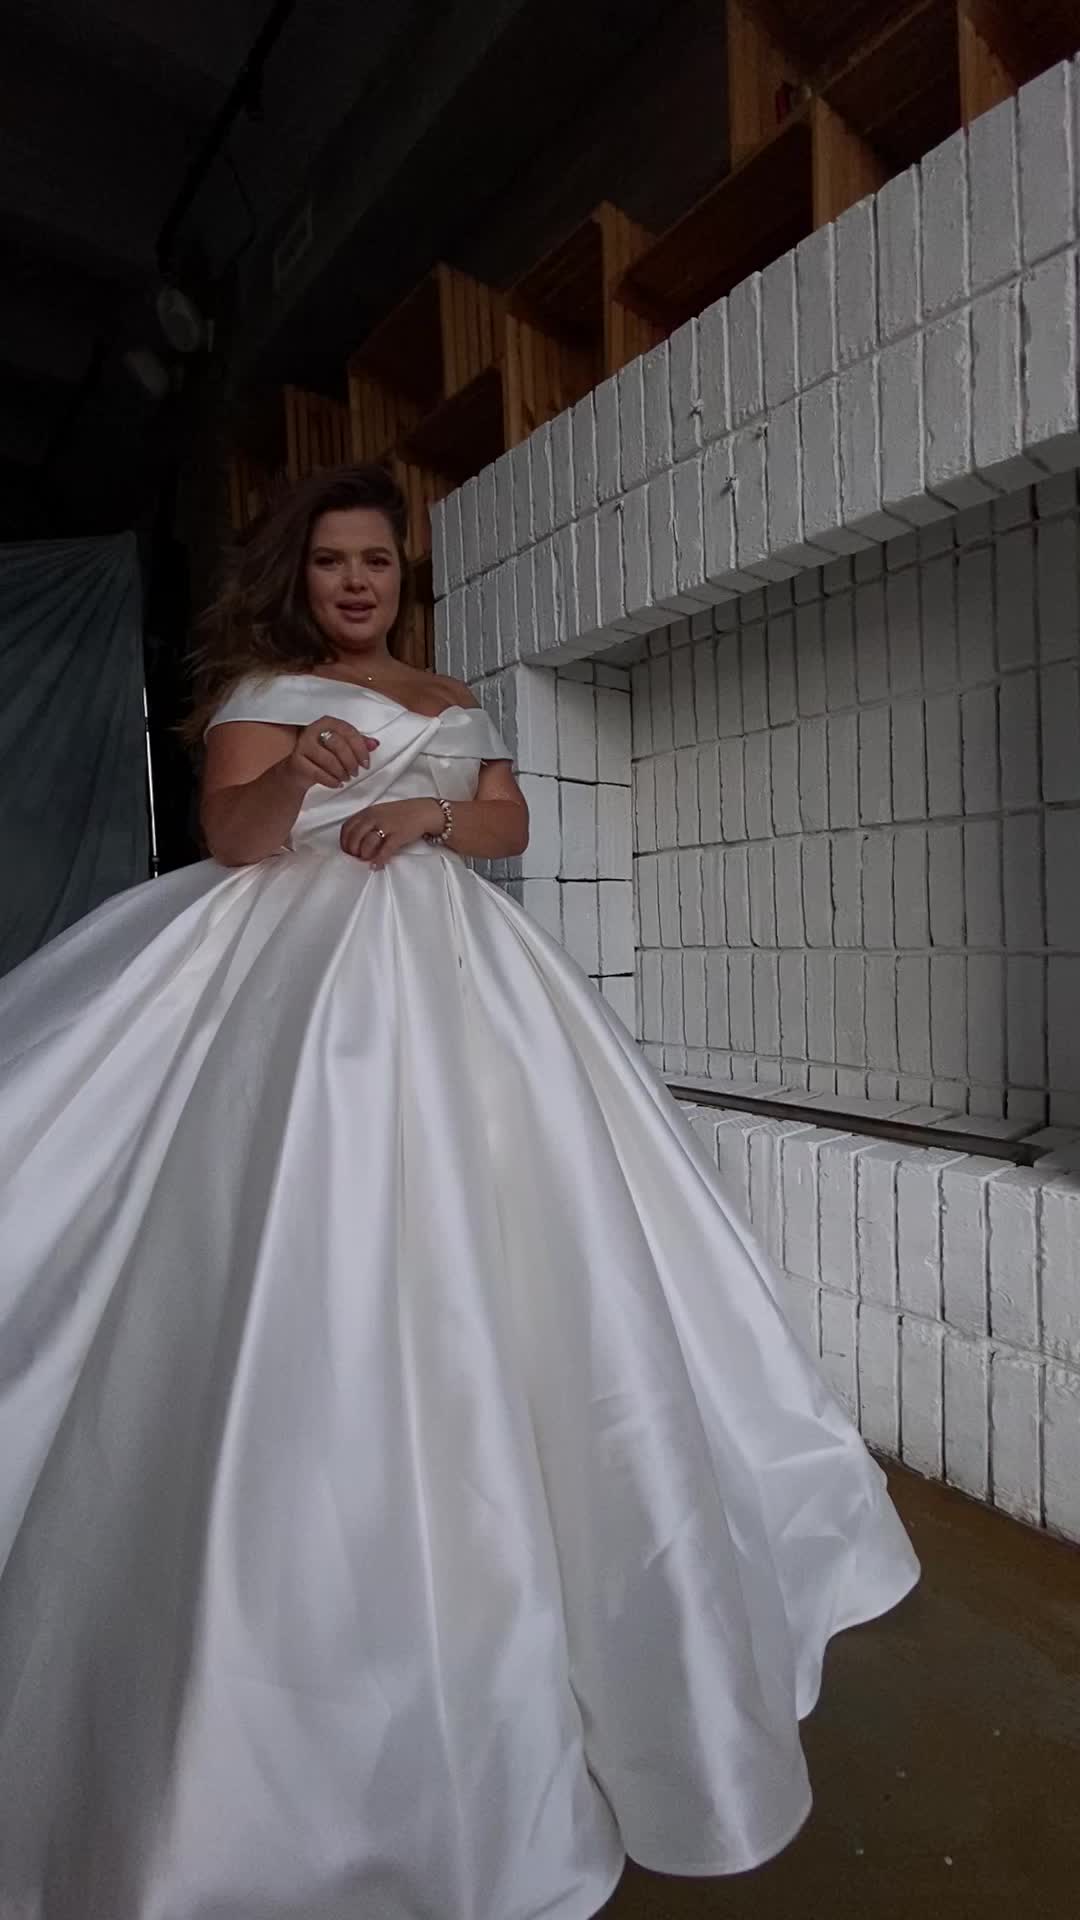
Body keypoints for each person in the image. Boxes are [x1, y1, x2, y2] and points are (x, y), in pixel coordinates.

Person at [0, 463, 918, 1920]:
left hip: (462, 975)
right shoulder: (263, 692)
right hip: (306, 988)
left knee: (538, 1237)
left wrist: (433, 820)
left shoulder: (448, 688)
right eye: (332, 562)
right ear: (298, 580)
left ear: (398, 573)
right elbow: (226, 843)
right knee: (324, 1222)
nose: (356, 581)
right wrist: (300, 783)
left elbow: (508, 826)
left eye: (375, 559)